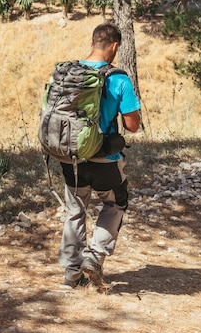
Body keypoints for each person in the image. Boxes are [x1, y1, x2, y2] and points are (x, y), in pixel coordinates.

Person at [58, 23, 141, 289]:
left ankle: (71, 277)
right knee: (115, 204)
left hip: (70, 157)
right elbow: (132, 126)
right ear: (114, 46)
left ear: (93, 42)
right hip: (103, 158)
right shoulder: (119, 79)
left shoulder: (68, 72)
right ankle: (93, 256)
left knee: (75, 211)